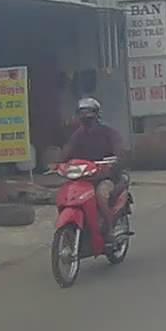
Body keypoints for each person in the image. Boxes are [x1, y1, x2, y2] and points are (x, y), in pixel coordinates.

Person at [58, 98, 124, 240]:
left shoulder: (108, 132)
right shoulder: (78, 134)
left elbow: (119, 150)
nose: (85, 116)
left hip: (105, 176)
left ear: (96, 114)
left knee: (101, 195)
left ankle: (109, 229)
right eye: (82, 112)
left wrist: (114, 160)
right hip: (84, 177)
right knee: (68, 194)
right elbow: (67, 151)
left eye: (88, 112)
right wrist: (58, 163)